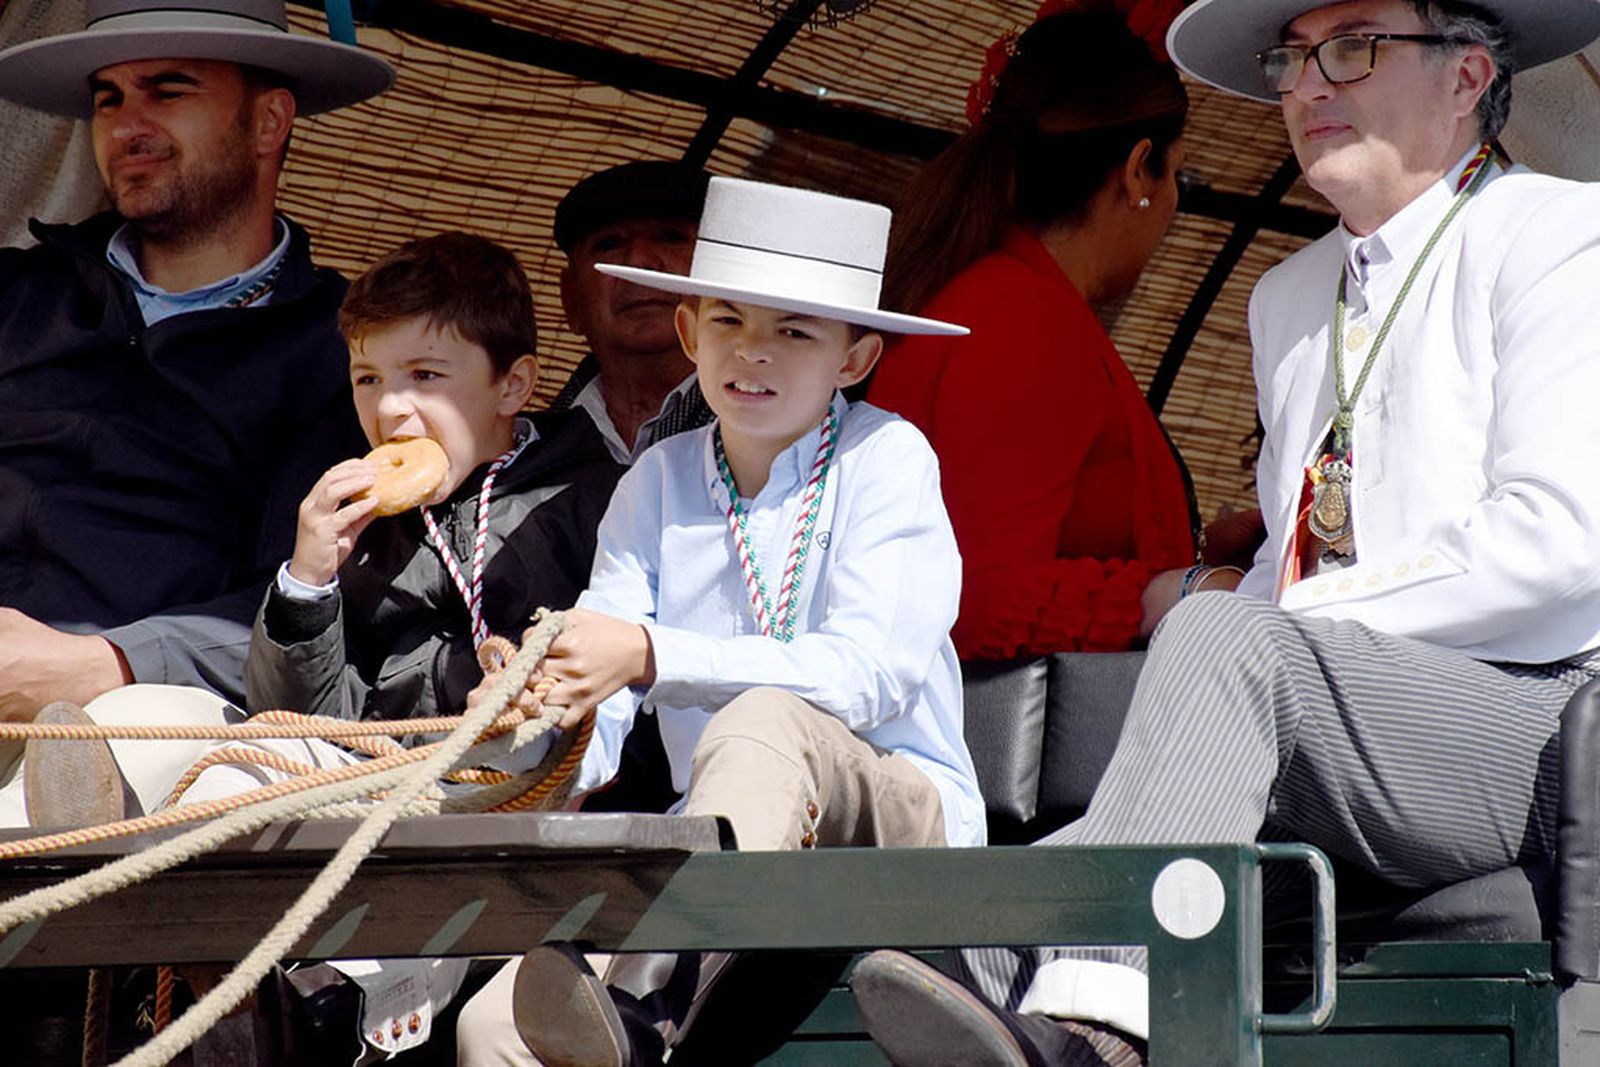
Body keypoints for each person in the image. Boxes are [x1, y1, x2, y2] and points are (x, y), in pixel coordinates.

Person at [850, 1, 1600, 1064]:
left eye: (1351, 47)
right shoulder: (1287, 298)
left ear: (1468, 75)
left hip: (1541, 721)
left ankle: (1095, 1032)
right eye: (1291, 58)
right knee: (989, 897)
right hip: (1337, 719)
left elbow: (1560, 541)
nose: (1305, 86)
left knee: (1219, 638)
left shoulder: (1562, 233)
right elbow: (1291, 566)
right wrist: (1254, 618)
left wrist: (1262, 619)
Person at [455, 176, 986, 1067]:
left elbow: (868, 674)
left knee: (760, 719)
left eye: (794, 331)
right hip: (716, 836)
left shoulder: (889, 457)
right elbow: (607, 698)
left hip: (899, 815)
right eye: (730, 321)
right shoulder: (654, 482)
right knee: (491, 1027)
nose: (755, 353)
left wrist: (652, 653)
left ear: (854, 359)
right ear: (689, 333)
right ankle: (636, 1005)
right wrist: (544, 702)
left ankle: (648, 1014)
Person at [0, 0, 393, 740]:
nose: (125, 125)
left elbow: (306, 599)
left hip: (145, 724)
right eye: (107, 98)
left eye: (168, 90)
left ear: (270, 121)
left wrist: (106, 662)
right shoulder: (15, 295)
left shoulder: (347, 350)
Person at [868, 3, 1244, 662]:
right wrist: (1174, 591)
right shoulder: (1020, 319)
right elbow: (974, 597)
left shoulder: (999, 297)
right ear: (1137, 171)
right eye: (1177, 175)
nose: (1175, 206)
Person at [549, 160, 715, 464]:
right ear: (570, 299)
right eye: (609, 244)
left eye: (671, 237)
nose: (638, 262)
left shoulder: (789, 435)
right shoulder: (520, 452)